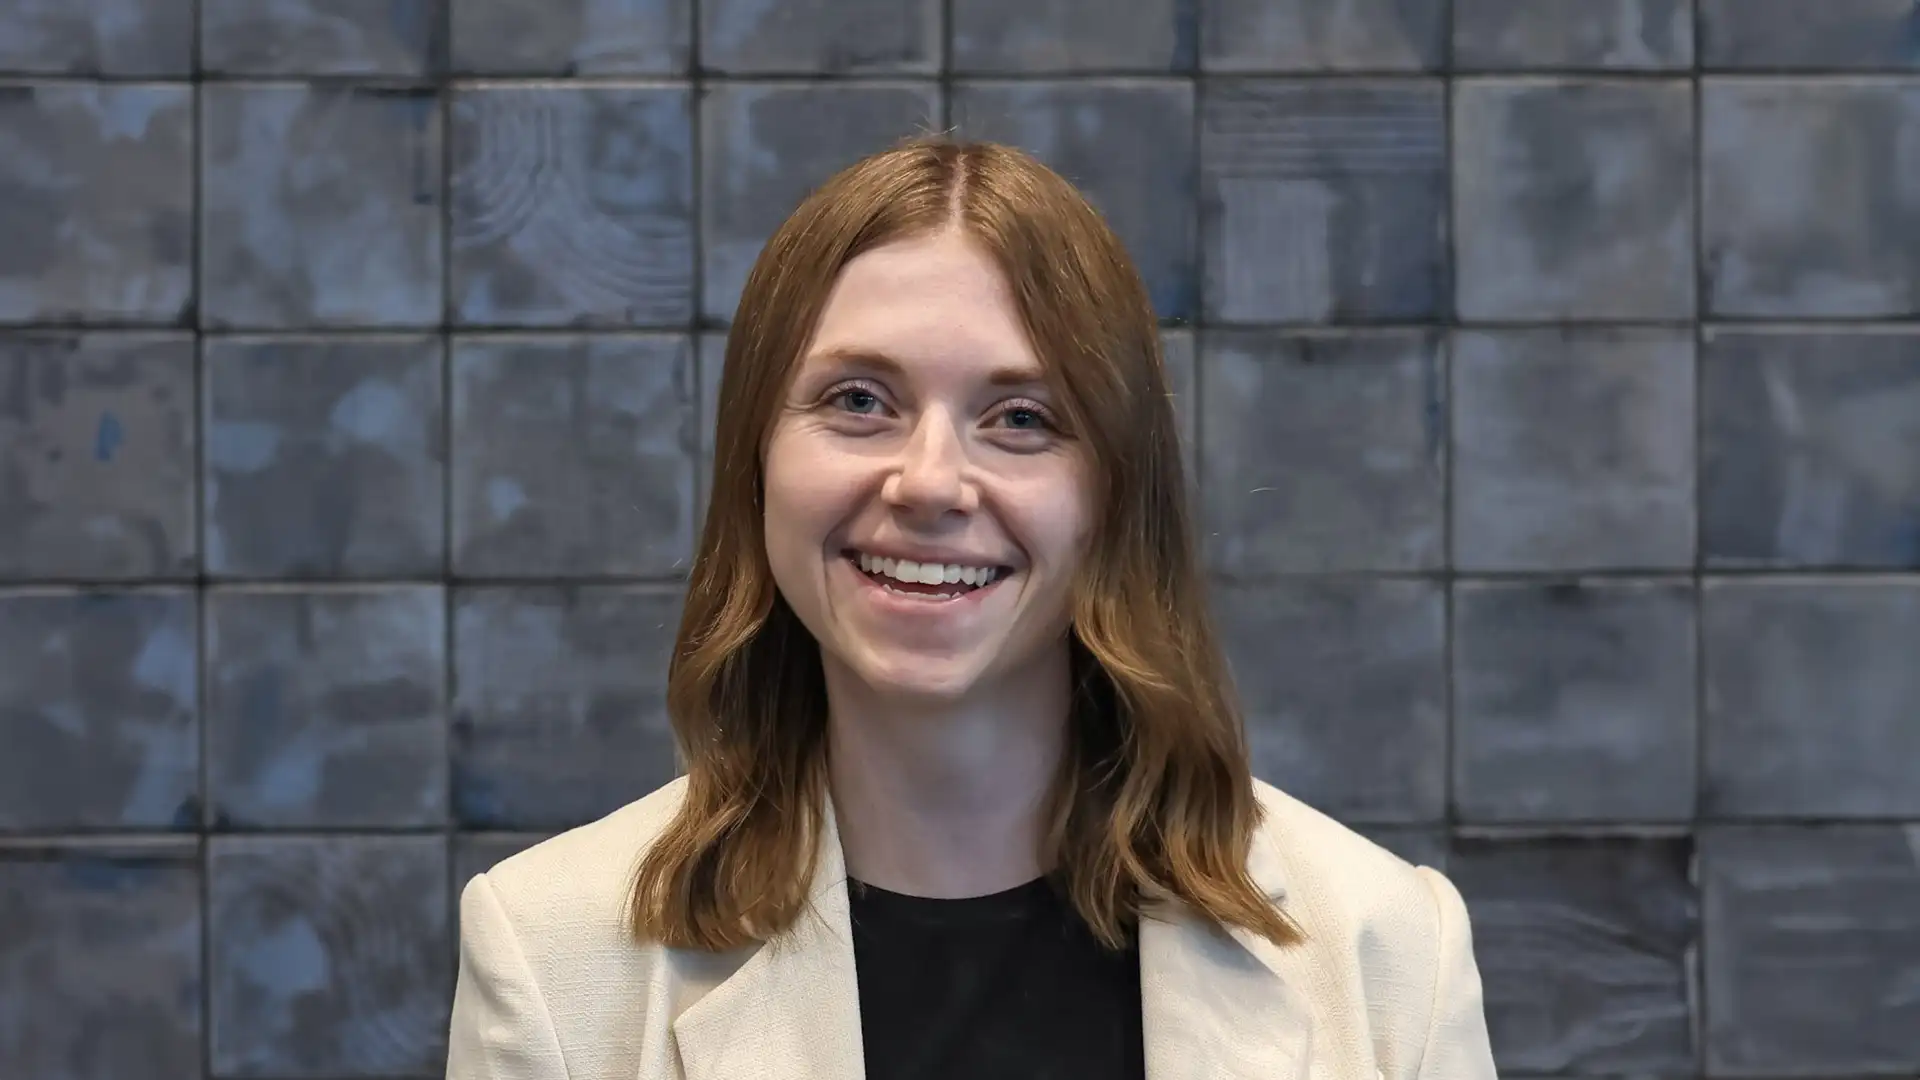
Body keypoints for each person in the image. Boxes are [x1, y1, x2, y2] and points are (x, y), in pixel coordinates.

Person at [445, 136, 1497, 1080]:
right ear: (755, 461)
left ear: (1118, 492)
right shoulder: (550, 956)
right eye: (860, 401)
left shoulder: (1388, 952)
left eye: (1022, 417)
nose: (931, 483)